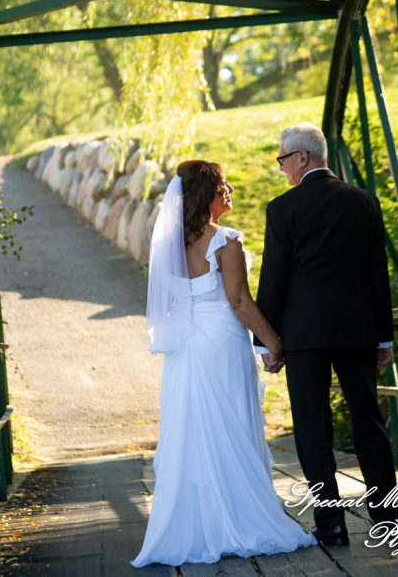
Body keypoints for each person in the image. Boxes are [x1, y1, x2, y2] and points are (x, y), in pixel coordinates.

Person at [132, 160, 316, 568]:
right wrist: (273, 342)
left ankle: (198, 524)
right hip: (222, 340)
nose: (229, 189)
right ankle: (240, 518)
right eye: (221, 185)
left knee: (193, 427)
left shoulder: (171, 244)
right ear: (205, 195)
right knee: (233, 421)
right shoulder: (226, 240)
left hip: (188, 344)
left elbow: (171, 301)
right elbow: (238, 301)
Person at [255, 123, 398, 547]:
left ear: (302, 158)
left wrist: (267, 342)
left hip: (305, 336)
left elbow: (274, 279)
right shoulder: (365, 202)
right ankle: (386, 521)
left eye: (283, 160)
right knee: (368, 423)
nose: (282, 170)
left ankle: (331, 525)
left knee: (312, 429)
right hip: (357, 331)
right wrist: (383, 338)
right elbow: (378, 276)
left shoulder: (283, 209)